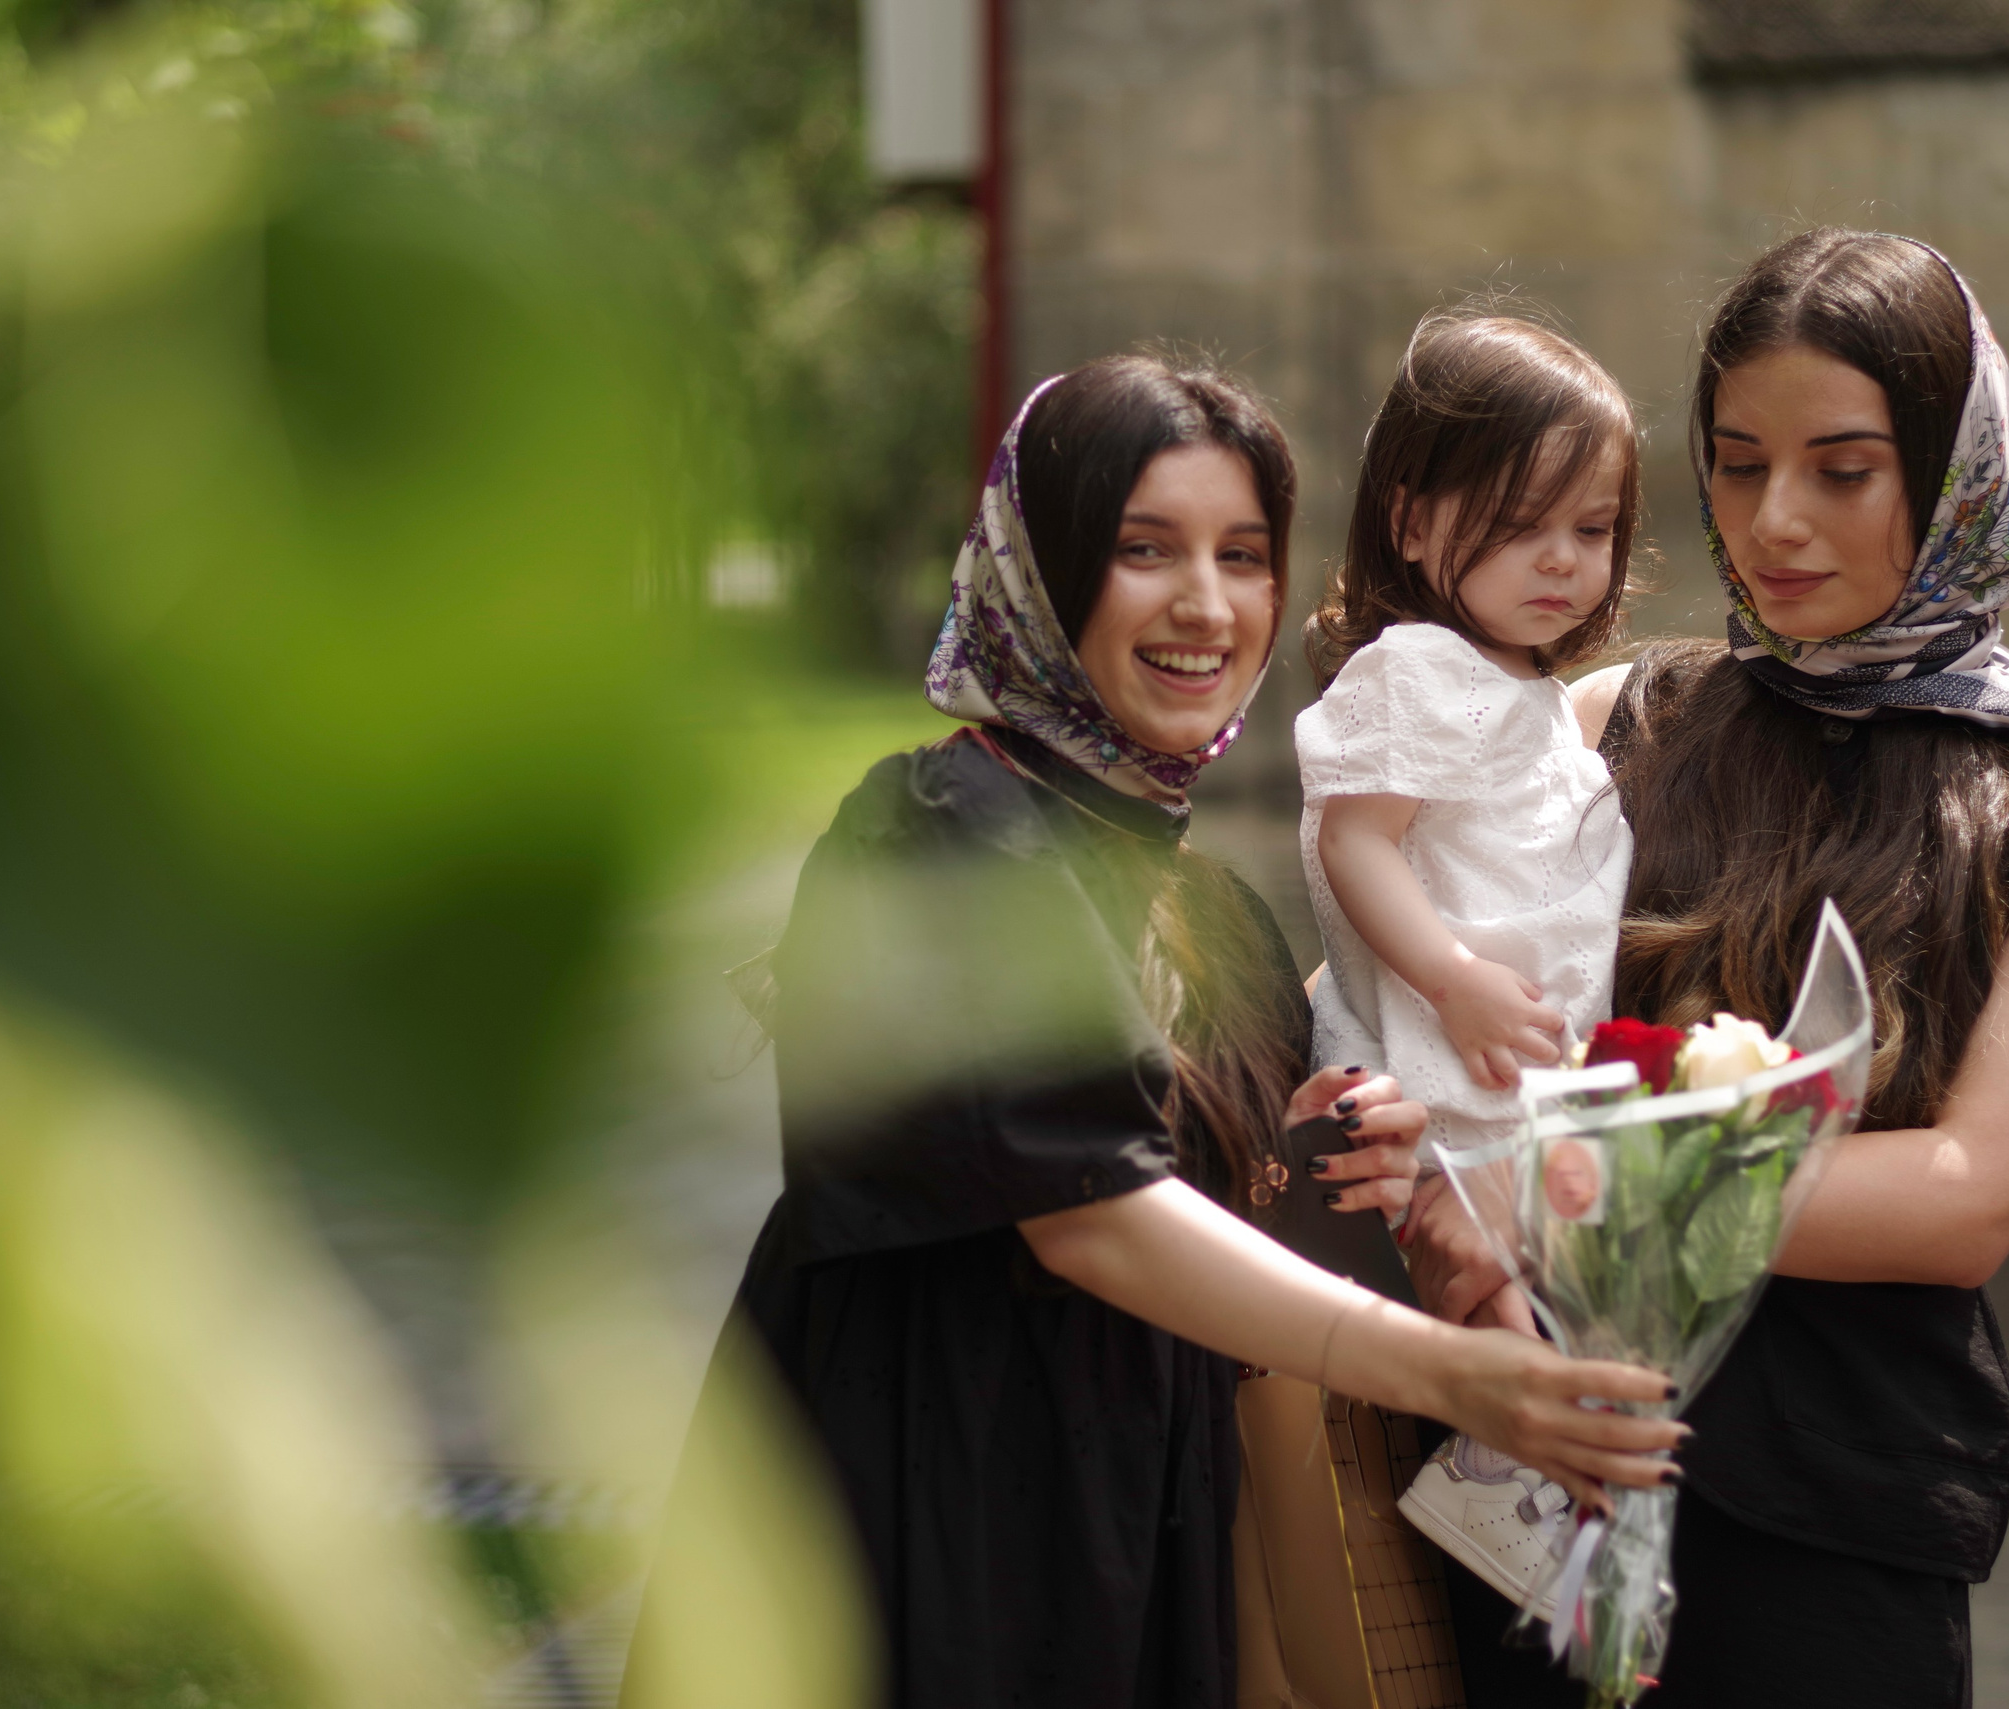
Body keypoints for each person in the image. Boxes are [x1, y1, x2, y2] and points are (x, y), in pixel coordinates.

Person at [626, 354, 1688, 1709]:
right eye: (1145, 549)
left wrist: (1347, 1159)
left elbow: (1227, 1199)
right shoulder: (946, 836)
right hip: (929, 1517)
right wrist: (1441, 1365)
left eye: (1244, 554)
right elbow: (1090, 1211)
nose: (1206, 602)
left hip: (1152, 1525)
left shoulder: (1210, 909)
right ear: (1044, 565)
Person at [1401, 230, 2009, 1708]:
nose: (1773, 518)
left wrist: (1555, 1172)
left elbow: (1966, 1196)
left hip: (1829, 1527)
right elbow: (1434, 1020)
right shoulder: (1608, 721)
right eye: (1734, 462)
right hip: (1524, 1468)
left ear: (1959, 468)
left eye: (1841, 469)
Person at [1294, 312, 1644, 1644]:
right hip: (1460, 1072)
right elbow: (1355, 840)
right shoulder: (1420, 669)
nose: (1564, 561)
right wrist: (1446, 973)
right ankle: (1539, 1544)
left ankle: (1562, 1551)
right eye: (1521, 523)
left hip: (1525, 1075)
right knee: (1501, 1308)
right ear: (1416, 520)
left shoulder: (1521, 687)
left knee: (1551, 1320)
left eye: (1594, 526)